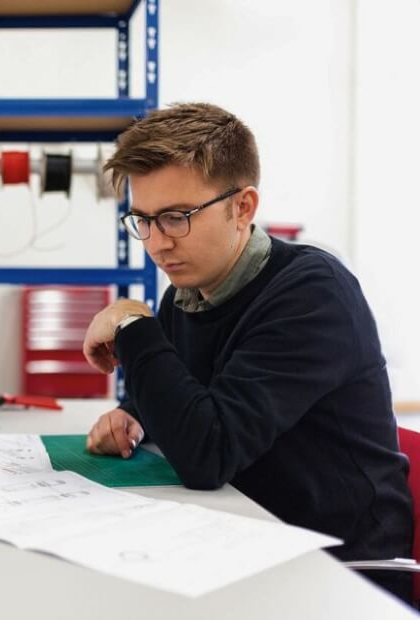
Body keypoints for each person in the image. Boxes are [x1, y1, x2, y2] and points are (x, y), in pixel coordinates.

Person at [83, 102, 414, 603]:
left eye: (176, 218)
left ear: (243, 207)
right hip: (240, 541)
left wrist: (132, 320)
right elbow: (195, 394)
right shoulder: (187, 293)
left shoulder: (311, 294)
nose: (155, 243)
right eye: (143, 220)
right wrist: (133, 417)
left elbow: (208, 453)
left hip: (337, 574)